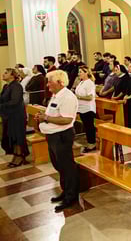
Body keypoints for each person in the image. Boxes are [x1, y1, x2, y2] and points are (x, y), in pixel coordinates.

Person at [35, 70, 78, 212]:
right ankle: (65, 191)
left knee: (67, 167)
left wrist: (46, 118)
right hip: (53, 135)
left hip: (62, 136)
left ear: (60, 82)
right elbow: (53, 113)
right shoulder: (56, 95)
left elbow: (67, 119)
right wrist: (43, 115)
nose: (47, 85)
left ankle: (71, 197)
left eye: (50, 82)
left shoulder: (68, 97)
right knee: (59, 165)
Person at [0, 68, 29, 167]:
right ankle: (16, 155)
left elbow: (14, 101)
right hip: (8, 115)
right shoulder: (6, 86)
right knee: (11, 136)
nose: (3, 74)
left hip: (17, 116)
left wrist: (1, 106)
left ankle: (19, 156)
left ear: (12, 75)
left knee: (17, 136)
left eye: (6, 73)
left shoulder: (17, 86)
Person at [75, 66, 97, 152]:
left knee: (89, 127)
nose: (78, 73)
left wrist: (79, 97)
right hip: (81, 108)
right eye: (78, 72)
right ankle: (89, 143)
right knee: (86, 126)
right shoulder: (81, 82)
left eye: (80, 72)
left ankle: (92, 144)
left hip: (88, 109)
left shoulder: (89, 83)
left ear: (86, 73)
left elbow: (90, 97)